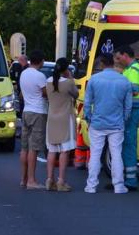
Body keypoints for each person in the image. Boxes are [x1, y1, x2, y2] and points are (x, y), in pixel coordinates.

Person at [83, 53, 132, 194]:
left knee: (95, 154)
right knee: (116, 154)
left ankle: (91, 186)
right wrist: (123, 119)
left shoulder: (94, 79)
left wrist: (89, 118)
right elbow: (128, 106)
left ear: (102, 64)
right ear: (113, 63)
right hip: (116, 124)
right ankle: (119, 186)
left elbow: (87, 103)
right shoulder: (124, 81)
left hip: (97, 123)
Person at [45, 58, 78, 192]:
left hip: (52, 119)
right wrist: (71, 78)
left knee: (52, 150)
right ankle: (61, 181)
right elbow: (76, 94)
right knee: (64, 150)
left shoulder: (48, 82)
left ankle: (49, 179)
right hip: (65, 119)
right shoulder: (68, 83)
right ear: (66, 69)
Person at [114, 45, 139, 191]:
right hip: (132, 110)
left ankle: (131, 180)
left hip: (132, 110)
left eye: (119, 58)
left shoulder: (133, 70)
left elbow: (134, 90)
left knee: (128, 144)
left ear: (126, 55)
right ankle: (125, 178)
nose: (118, 61)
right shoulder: (130, 69)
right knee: (126, 144)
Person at [19, 50, 48, 190]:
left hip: (26, 111)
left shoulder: (24, 73)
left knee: (24, 147)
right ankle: (31, 180)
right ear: (41, 61)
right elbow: (45, 93)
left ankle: (23, 179)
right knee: (34, 148)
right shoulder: (40, 76)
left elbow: (22, 93)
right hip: (38, 112)